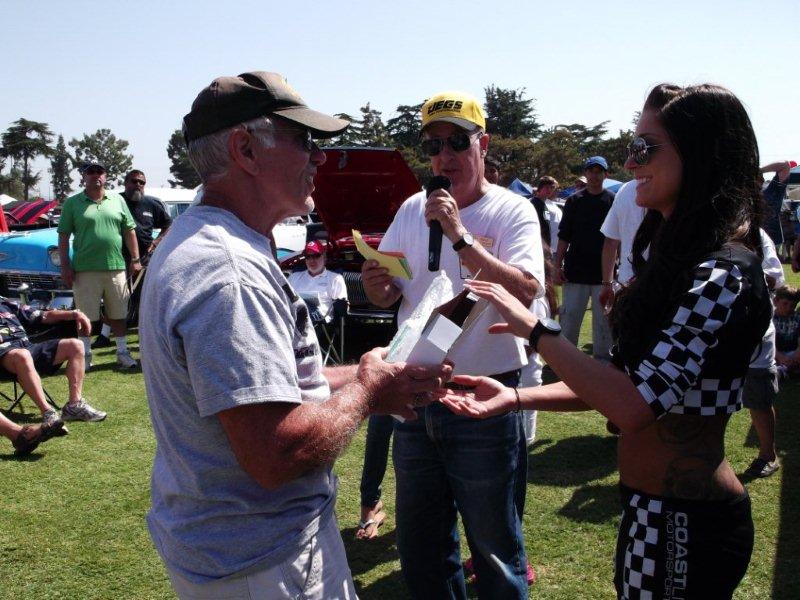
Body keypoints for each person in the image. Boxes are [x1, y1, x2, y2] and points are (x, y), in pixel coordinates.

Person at [439, 83, 771, 599]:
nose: (629, 161)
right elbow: (622, 384)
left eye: (644, 147)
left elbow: (635, 405)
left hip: (686, 520)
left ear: (700, 152)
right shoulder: (682, 262)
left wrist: (536, 330)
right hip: (649, 508)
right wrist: (516, 397)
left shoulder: (723, 272)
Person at [139, 71, 450, 600]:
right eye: (304, 140)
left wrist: (369, 376)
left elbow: (271, 385)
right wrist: (368, 391)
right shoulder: (228, 271)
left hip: (238, 554)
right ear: (245, 150)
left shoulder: (207, 241)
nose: (319, 158)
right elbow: (275, 454)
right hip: (264, 563)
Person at [362, 90, 544, 598]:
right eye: (433, 144)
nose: (444, 155)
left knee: (494, 548)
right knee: (421, 546)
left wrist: (460, 236)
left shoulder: (512, 211)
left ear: (482, 143)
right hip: (416, 396)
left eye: (457, 142)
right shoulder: (412, 208)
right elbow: (391, 288)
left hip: (483, 399)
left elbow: (527, 290)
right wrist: (377, 288)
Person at [58, 162, 142, 370]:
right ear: (84, 177)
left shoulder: (118, 200)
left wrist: (135, 259)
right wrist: (65, 266)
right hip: (84, 269)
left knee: (119, 313)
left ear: (105, 176)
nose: (96, 175)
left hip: (116, 266)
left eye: (100, 172)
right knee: (85, 317)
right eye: (91, 172)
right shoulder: (72, 203)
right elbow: (63, 235)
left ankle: (122, 352)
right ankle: (84, 356)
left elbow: (129, 231)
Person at [94, 169, 172, 347]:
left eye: (141, 182)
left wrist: (156, 242)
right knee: (116, 297)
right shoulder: (114, 202)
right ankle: (104, 336)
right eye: (134, 181)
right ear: (125, 183)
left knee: (144, 298)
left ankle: (146, 336)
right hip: (118, 257)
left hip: (145, 259)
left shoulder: (152, 204)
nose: (138, 185)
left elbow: (168, 224)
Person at [0, 297, 102, 423]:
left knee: (75, 345)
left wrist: (74, 314)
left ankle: (74, 406)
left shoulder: (5, 303)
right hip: (4, 356)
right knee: (23, 355)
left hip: (26, 348)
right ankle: (47, 412)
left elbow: (44, 315)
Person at [555, 156, 615, 361]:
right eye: (591, 170)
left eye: (599, 171)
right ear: (586, 173)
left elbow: (617, 239)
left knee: (603, 323)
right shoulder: (574, 200)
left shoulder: (612, 200)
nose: (595, 175)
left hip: (603, 275)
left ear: (606, 175)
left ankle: (603, 363)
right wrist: (557, 266)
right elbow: (564, 236)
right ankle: (565, 361)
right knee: (569, 320)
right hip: (575, 271)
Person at [742, 231, 783, 479]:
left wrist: (740, 272)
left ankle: (768, 455)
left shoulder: (756, 235)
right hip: (717, 328)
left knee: (758, 395)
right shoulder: (704, 228)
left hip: (754, 328)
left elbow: (775, 278)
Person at [599, 179, 646, 309]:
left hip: (627, 282)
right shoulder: (625, 190)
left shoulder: (625, 189)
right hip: (638, 281)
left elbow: (610, 241)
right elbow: (610, 241)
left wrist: (607, 283)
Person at [287, 240, 347, 323]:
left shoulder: (335, 279)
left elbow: (341, 307)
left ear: (324, 257)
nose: (312, 260)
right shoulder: (294, 277)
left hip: (320, 323)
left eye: (316, 255)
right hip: (293, 318)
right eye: (308, 256)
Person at [530, 175, 562, 256]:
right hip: (536, 249)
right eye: (547, 187)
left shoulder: (544, 204)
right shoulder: (534, 204)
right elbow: (534, 229)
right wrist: (545, 247)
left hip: (546, 249)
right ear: (540, 188)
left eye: (552, 187)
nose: (549, 190)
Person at [772, 285, 800, 375]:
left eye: (792, 305)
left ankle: (784, 370)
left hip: (793, 353)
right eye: (785, 304)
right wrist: (779, 356)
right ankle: (784, 370)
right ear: (775, 301)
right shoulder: (770, 318)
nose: (788, 308)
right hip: (775, 352)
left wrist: (797, 354)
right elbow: (766, 341)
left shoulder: (796, 317)